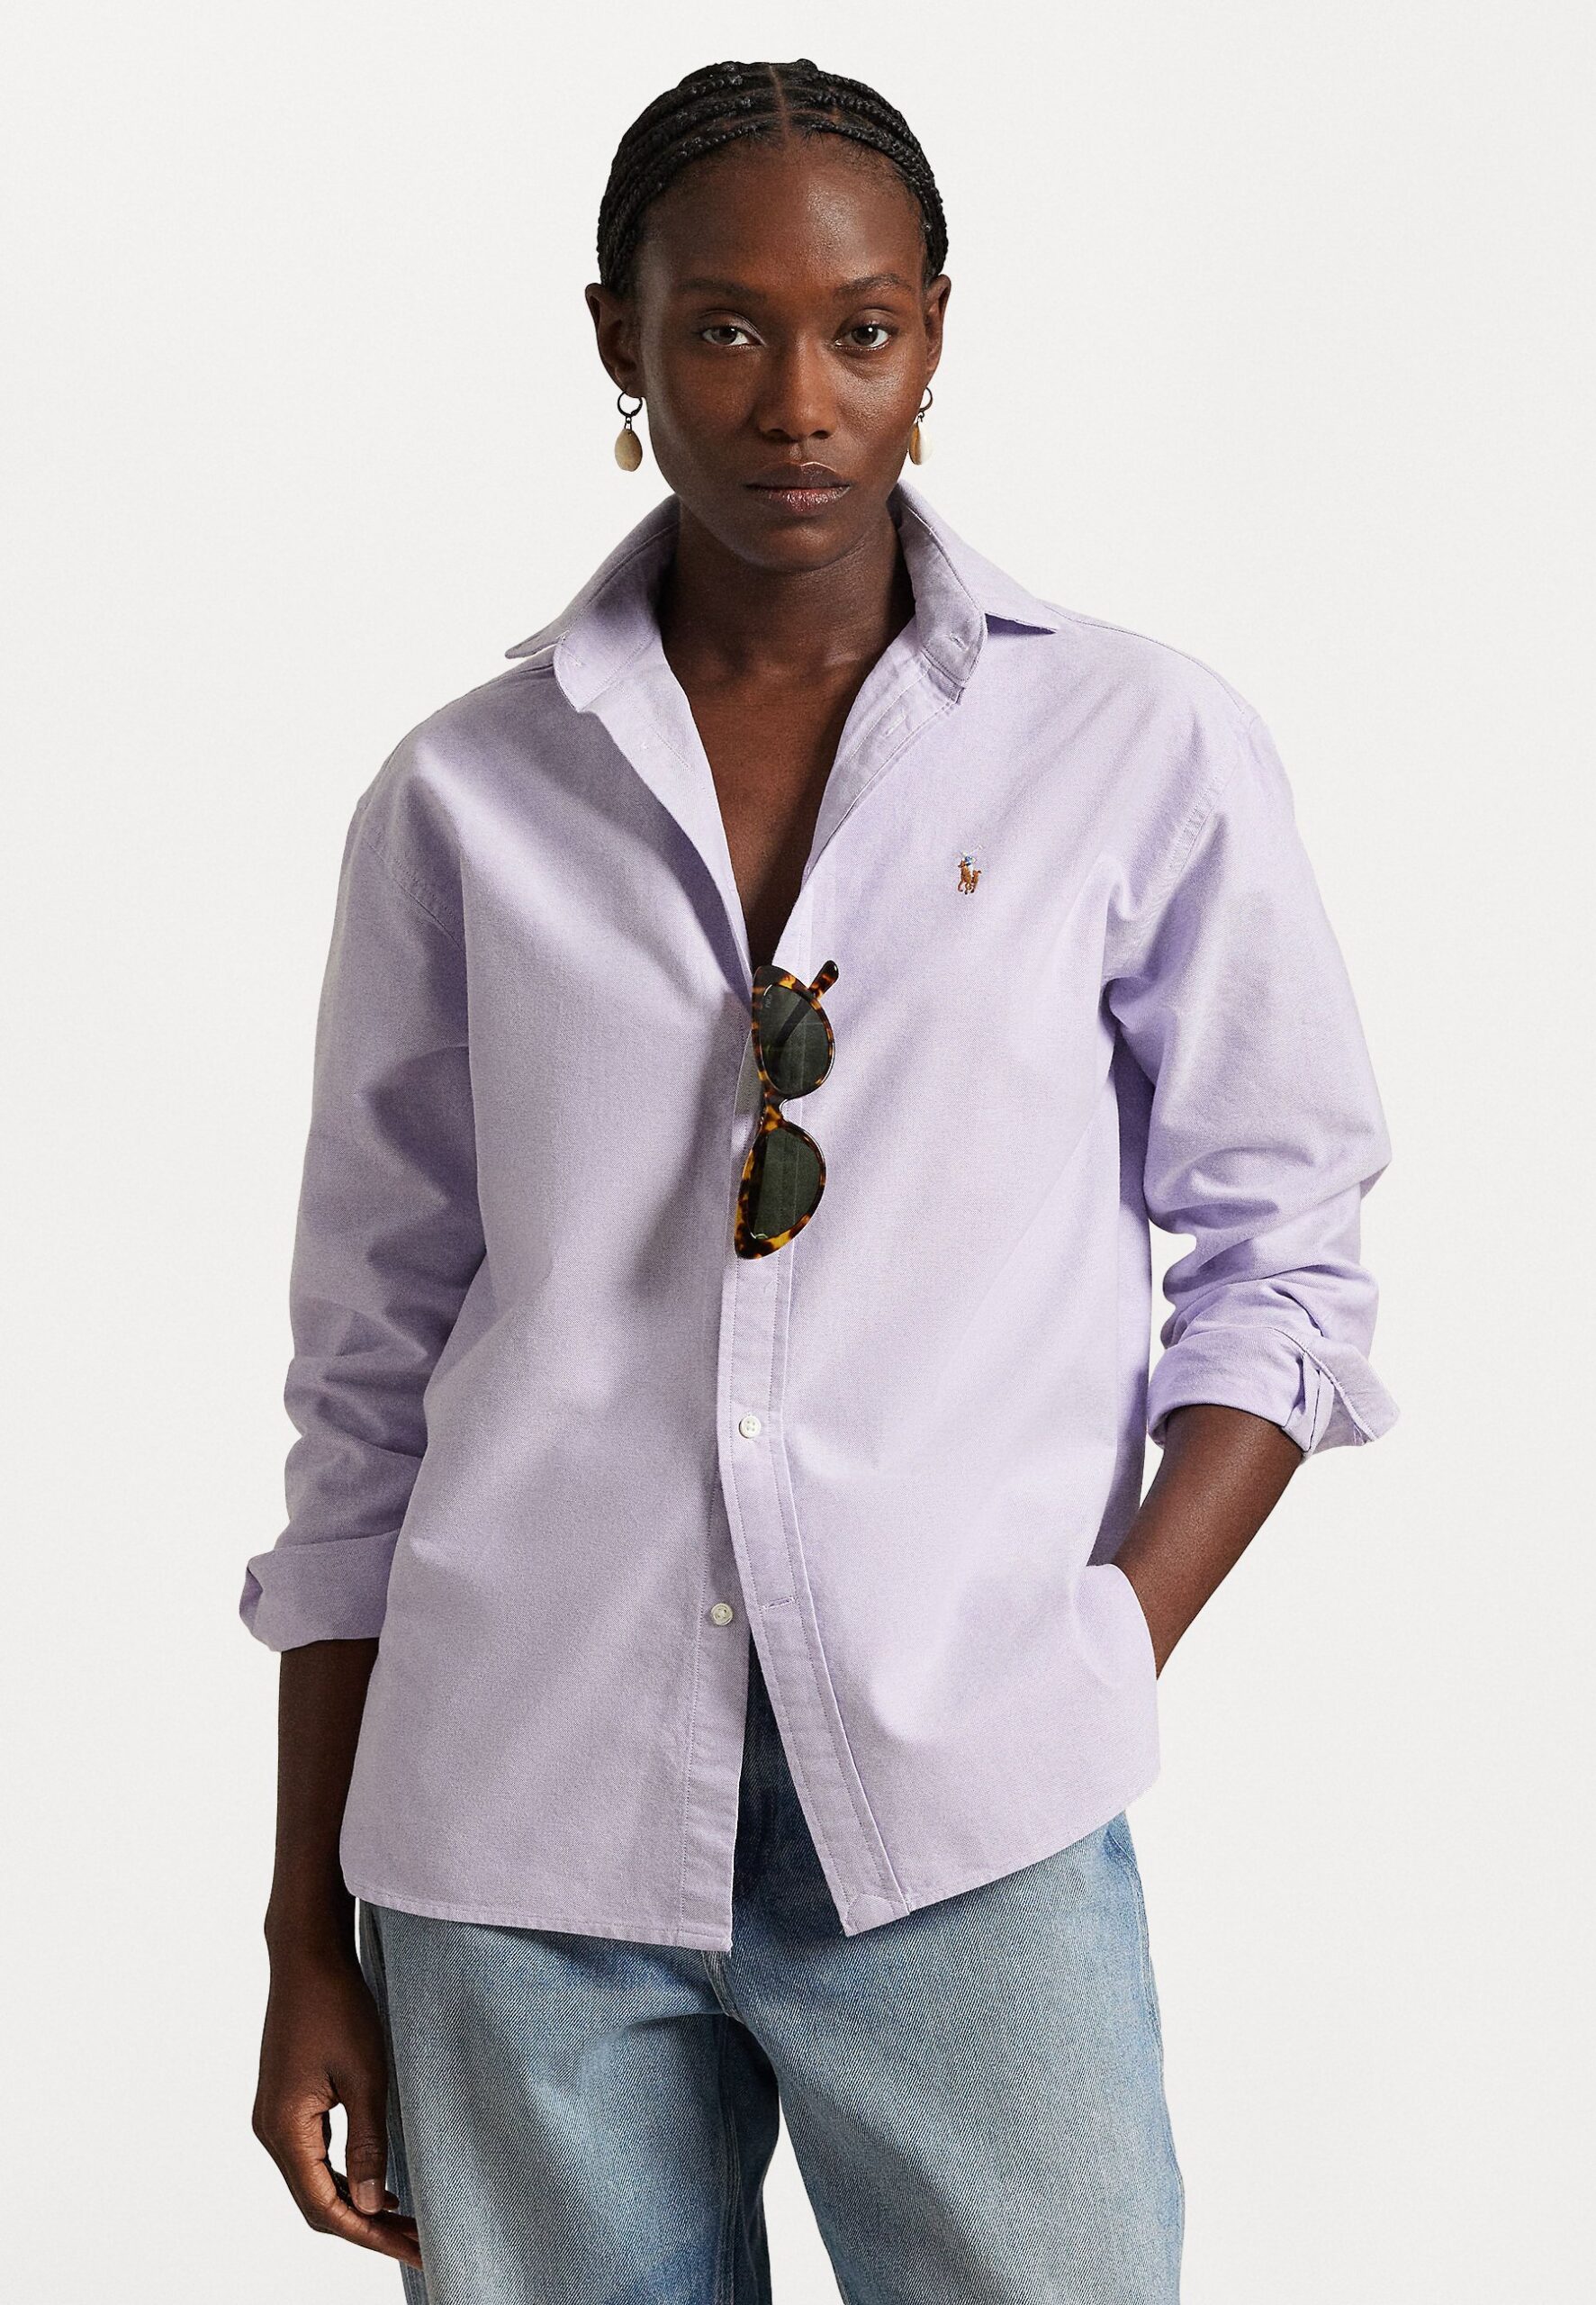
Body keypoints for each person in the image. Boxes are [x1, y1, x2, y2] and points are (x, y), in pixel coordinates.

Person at [243, 57, 1398, 2305]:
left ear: (932, 336)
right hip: (510, 1830)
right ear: (617, 339)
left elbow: (1286, 1253)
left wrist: (1100, 1640)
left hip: (964, 1806)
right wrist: (307, 1924)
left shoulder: (1130, 746)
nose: (796, 400)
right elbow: (363, 1380)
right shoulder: (463, 797)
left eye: (859, 329)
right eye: (722, 328)